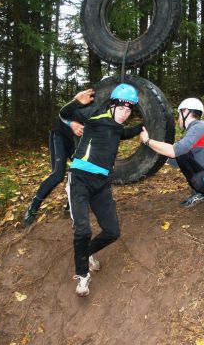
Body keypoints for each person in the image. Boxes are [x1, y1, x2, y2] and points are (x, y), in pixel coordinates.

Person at [60, 84, 143, 297]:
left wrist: (142, 129)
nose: (125, 114)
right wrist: (77, 101)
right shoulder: (95, 113)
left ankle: (86, 253)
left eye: (129, 111)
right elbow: (65, 113)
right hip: (79, 179)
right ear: (113, 105)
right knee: (83, 230)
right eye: (121, 109)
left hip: (102, 184)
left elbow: (122, 133)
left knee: (112, 232)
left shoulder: (117, 126)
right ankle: (82, 276)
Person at [139, 98, 204, 220]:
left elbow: (172, 151)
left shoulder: (198, 128)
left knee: (199, 179)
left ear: (185, 111)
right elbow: (176, 157)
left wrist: (147, 141)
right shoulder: (196, 130)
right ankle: (201, 192)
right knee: (182, 155)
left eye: (179, 115)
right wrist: (149, 160)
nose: (178, 119)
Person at [23, 115, 84, 225]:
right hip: (59, 135)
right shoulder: (83, 99)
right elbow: (64, 114)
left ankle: (70, 205)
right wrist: (71, 123)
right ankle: (34, 205)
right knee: (58, 174)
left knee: (82, 170)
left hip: (74, 140)